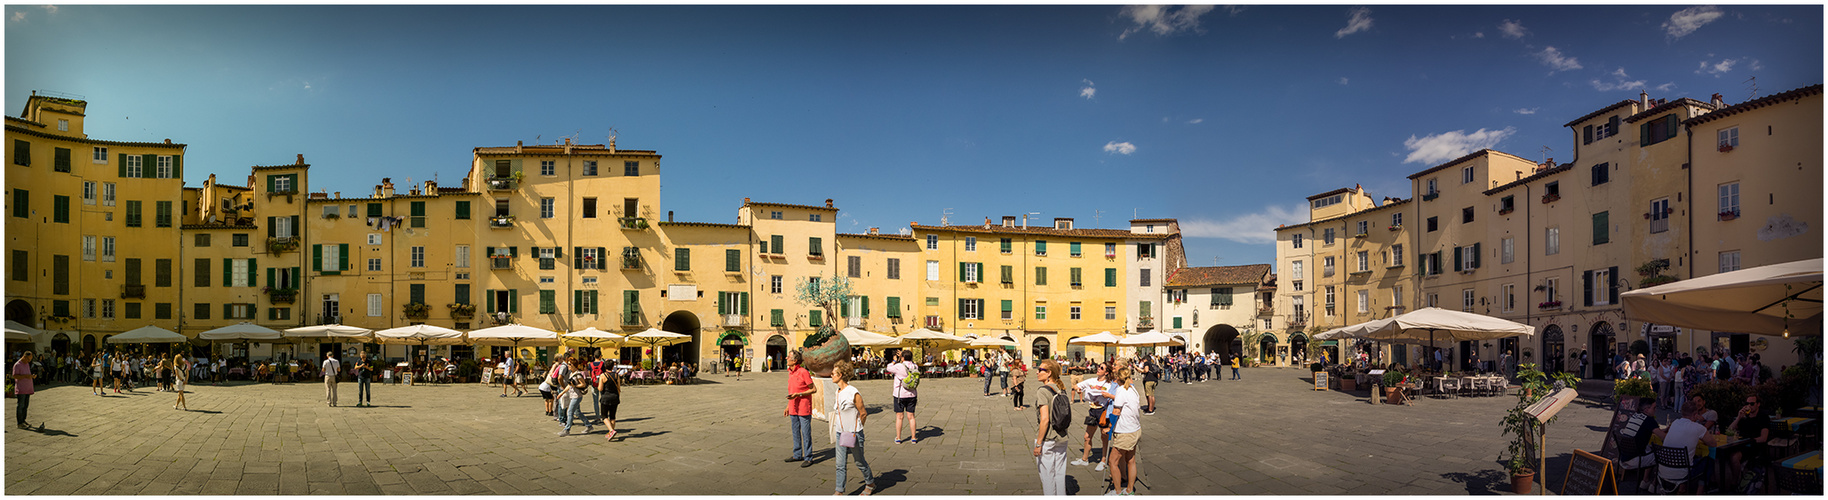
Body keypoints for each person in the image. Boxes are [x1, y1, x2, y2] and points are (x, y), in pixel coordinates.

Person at [827, 360, 875, 495]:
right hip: (840, 433)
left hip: (854, 433)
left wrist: (857, 428)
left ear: (840, 375)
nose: (831, 375)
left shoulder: (853, 392)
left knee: (859, 462)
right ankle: (839, 491)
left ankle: (870, 483)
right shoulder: (837, 391)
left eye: (833, 373)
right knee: (840, 465)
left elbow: (863, 413)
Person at [1653, 402, 1720, 493]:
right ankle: (1699, 493)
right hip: (1682, 473)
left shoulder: (1675, 423)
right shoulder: (1698, 428)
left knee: (1691, 457)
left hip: (1662, 469)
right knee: (1708, 461)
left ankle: (1682, 488)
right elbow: (1713, 444)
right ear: (1695, 414)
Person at [1032, 359, 1070, 495]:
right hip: (1062, 436)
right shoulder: (1061, 388)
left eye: (1040, 370)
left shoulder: (1043, 391)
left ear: (1048, 373)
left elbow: (1045, 419)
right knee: (1060, 473)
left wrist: (1038, 443)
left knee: (1047, 476)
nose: (1037, 372)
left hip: (1048, 438)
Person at [1107, 364, 1142, 495]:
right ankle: (1129, 489)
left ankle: (1117, 492)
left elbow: (1116, 411)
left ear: (1117, 378)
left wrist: (1110, 427)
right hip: (1135, 429)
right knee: (1131, 460)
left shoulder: (1121, 390)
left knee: (1113, 461)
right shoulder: (1133, 389)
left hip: (1125, 431)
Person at [1071, 363, 1113, 470]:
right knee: (1087, 437)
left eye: (1102, 368)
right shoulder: (1091, 381)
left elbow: (1116, 395)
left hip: (1103, 411)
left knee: (1104, 437)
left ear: (1106, 372)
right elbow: (1076, 386)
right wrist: (1078, 389)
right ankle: (1085, 459)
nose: (1098, 369)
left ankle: (1103, 460)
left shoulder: (1110, 383)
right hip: (1092, 411)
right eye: (1099, 366)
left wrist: (1108, 396)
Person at [1724, 395, 1772, 490]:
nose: (1749, 406)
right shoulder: (1744, 417)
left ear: (1758, 404)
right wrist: (1738, 418)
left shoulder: (1763, 417)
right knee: (1724, 454)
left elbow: (1763, 438)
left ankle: (1734, 482)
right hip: (1741, 445)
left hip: (1755, 446)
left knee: (1734, 457)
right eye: (1747, 403)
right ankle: (1737, 478)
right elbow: (1729, 431)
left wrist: (1750, 440)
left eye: (1752, 403)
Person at [783, 350, 818, 466]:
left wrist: (799, 395)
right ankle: (797, 454)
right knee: (795, 432)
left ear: (795, 360)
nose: (786, 358)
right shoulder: (790, 372)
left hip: (803, 407)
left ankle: (808, 457)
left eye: (788, 357)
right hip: (793, 407)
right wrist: (788, 406)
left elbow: (814, 389)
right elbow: (791, 390)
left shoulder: (803, 372)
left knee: (806, 433)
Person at [1616, 397, 1661, 483]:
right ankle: (1654, 483)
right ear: (1647, 410)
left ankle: (1645, 480)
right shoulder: (1649, 420)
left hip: (1622, 458)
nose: (1656, 410)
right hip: (1636, 459)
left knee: (1649, 448)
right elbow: (1664, 437)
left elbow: (1653, 431)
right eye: (1654, 408)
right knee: (1661, 455)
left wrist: (1662, 431)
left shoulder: (1635, 416)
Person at [885, 350, 921, 444]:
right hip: (912, 394)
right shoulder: (915, 366)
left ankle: (898, 438)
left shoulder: (898, 366)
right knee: (911, 416)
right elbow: (910, 363)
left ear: (902, 358)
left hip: (900, 394)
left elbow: (888, 367)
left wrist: (894, 360)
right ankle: (913, 437)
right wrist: (904, 357)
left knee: (899, 417)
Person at [557, 358, 591, 437]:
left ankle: (567, 430)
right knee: (577, 412)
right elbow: (569, 386)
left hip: (577, 396)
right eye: (568, 364)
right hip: (572, 395)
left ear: (574, 365)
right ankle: (589, 426)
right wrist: (561, 393)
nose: (568, 365)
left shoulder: (578, 374)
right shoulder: (571, 373)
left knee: (570, 412)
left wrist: (575, 386)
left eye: (570, 364)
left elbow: (583, 384)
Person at [597, 360, 622, 442]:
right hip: (615, 397)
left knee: (604, 416)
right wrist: (618, 396)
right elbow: (619, 387)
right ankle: (611, 432)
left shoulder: (603, 376)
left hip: (606, 397)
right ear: (612, 367)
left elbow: (600, 388)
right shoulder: (616, 375)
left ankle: (611, 431)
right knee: (613, 416)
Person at [12, 352, 36, 429]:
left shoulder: (26, 364)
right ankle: (19, 423)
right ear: (24, 357)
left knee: (25, 406)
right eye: (28, 359)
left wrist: (31, 376)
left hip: (27, 388)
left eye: (30, 359)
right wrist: (26, 376)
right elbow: (15, 376)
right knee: (20, 406)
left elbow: (26, 374)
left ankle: (23, 420)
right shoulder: (17, 365)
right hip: (21, 389)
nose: (29, 361)